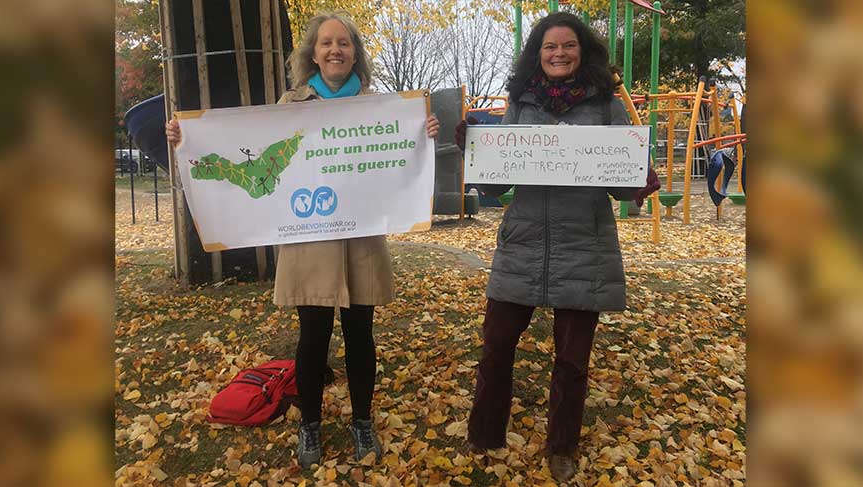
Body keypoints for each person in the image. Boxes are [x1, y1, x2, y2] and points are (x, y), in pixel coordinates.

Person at [166, 11, 439, 469]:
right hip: (309, 237)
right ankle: (309, 422)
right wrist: (186, 137)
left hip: (361, 239)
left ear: (356, 53)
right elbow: (241, 145)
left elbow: (401, 157)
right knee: (312, 337)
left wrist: (423, 133)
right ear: (313, 52)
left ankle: (362, 422)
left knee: (360, 336)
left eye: (345, 43)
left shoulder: (382, 107)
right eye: (327, 43)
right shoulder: (289, 104)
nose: (336, 50)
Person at [453, 12, 659, 483]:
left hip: (583, 243)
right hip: (523, 239)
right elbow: (494, 184)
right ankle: (484, 434)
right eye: (550, 47)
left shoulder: (606, 103)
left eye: (568, 46)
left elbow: (622, 183)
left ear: (582, 51)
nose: (559, 54)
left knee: (572, 361)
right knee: (496, 345)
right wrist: (477, 149)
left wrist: (639, 182)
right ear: (537, 54)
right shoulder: (521, 101)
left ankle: (561, 447)